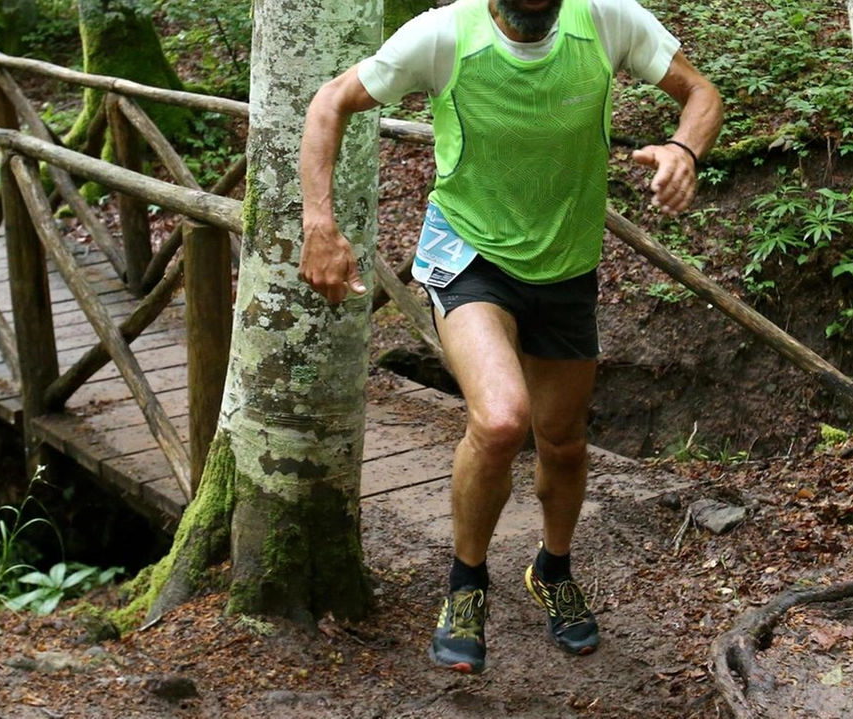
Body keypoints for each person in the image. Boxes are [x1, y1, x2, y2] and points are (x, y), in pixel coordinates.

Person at [299, 0, 723, 674]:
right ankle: (466, 584)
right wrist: (319, 223)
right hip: (469, 254)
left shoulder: (607, 21)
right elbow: (329, 103)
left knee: (562, 440)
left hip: (566, 263)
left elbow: (700, 91)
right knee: (501, 420)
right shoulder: (443, 35)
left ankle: (552, 569)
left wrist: (684, 148)